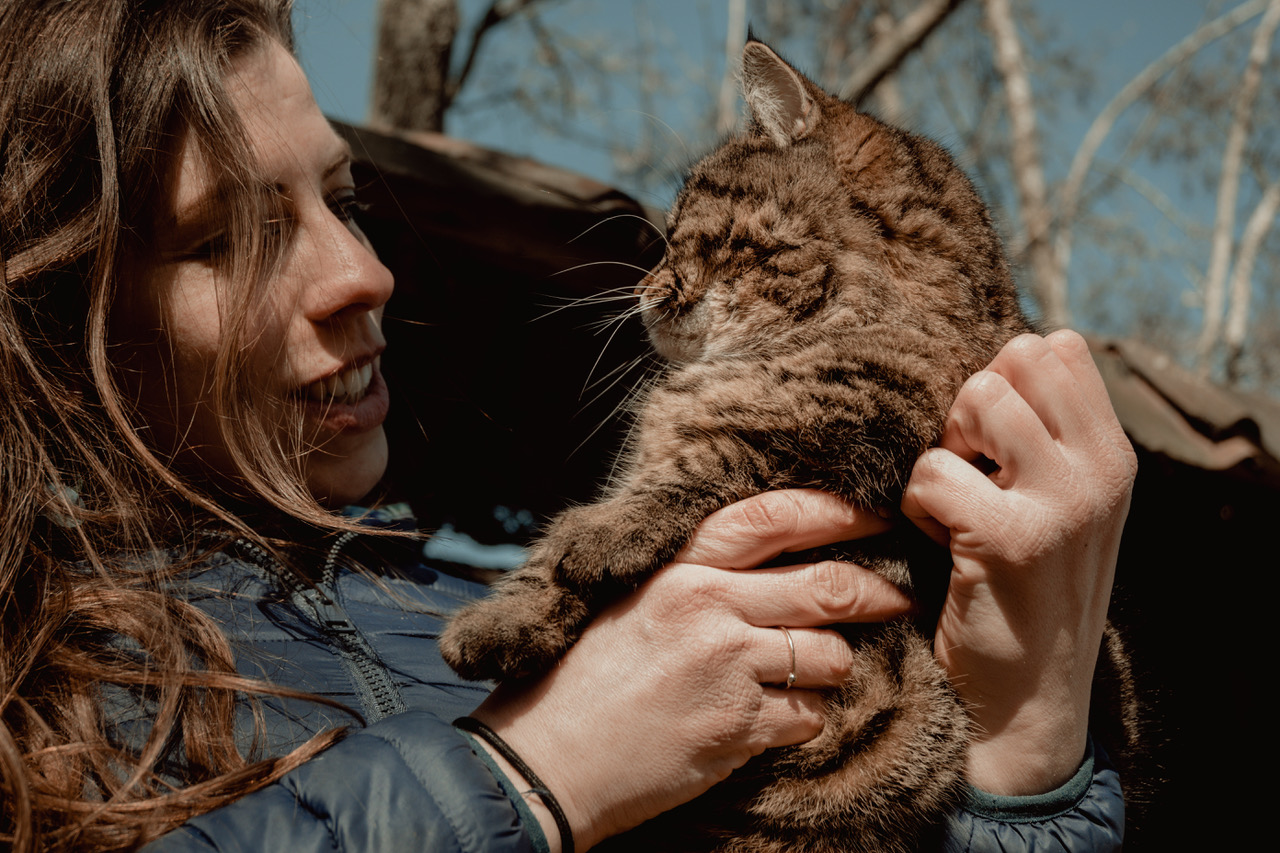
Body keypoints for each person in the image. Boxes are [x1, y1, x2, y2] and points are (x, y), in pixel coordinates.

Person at [0, 1, 1134, 851]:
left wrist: (1027, 743)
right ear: (53, 313)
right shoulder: (33, 668)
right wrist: (533, 772)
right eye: (225, 241)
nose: (365, 274)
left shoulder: (523, 617)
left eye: (341, 202)